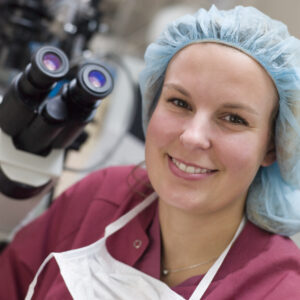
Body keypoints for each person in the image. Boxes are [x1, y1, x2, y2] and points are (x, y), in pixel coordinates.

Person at [1, 5, 300, 299]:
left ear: (272, 147)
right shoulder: (101, 197)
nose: (193, 137)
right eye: (180, 103)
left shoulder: (279, 290)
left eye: (234, 119)